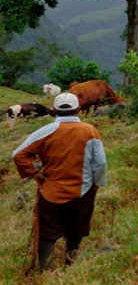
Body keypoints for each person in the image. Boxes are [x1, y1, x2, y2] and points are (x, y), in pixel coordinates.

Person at [12, 92, 107, 271]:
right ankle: (70, 264)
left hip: (51, 191)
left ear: (54, 110)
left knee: (47, 232)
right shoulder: (90, 131)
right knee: (76, 229)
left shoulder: (45, 132)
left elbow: (18, 155)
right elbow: (100, 163)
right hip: (82, 190)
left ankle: (43, 269)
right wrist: (96, 184)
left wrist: (35, 174)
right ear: (78, 109)